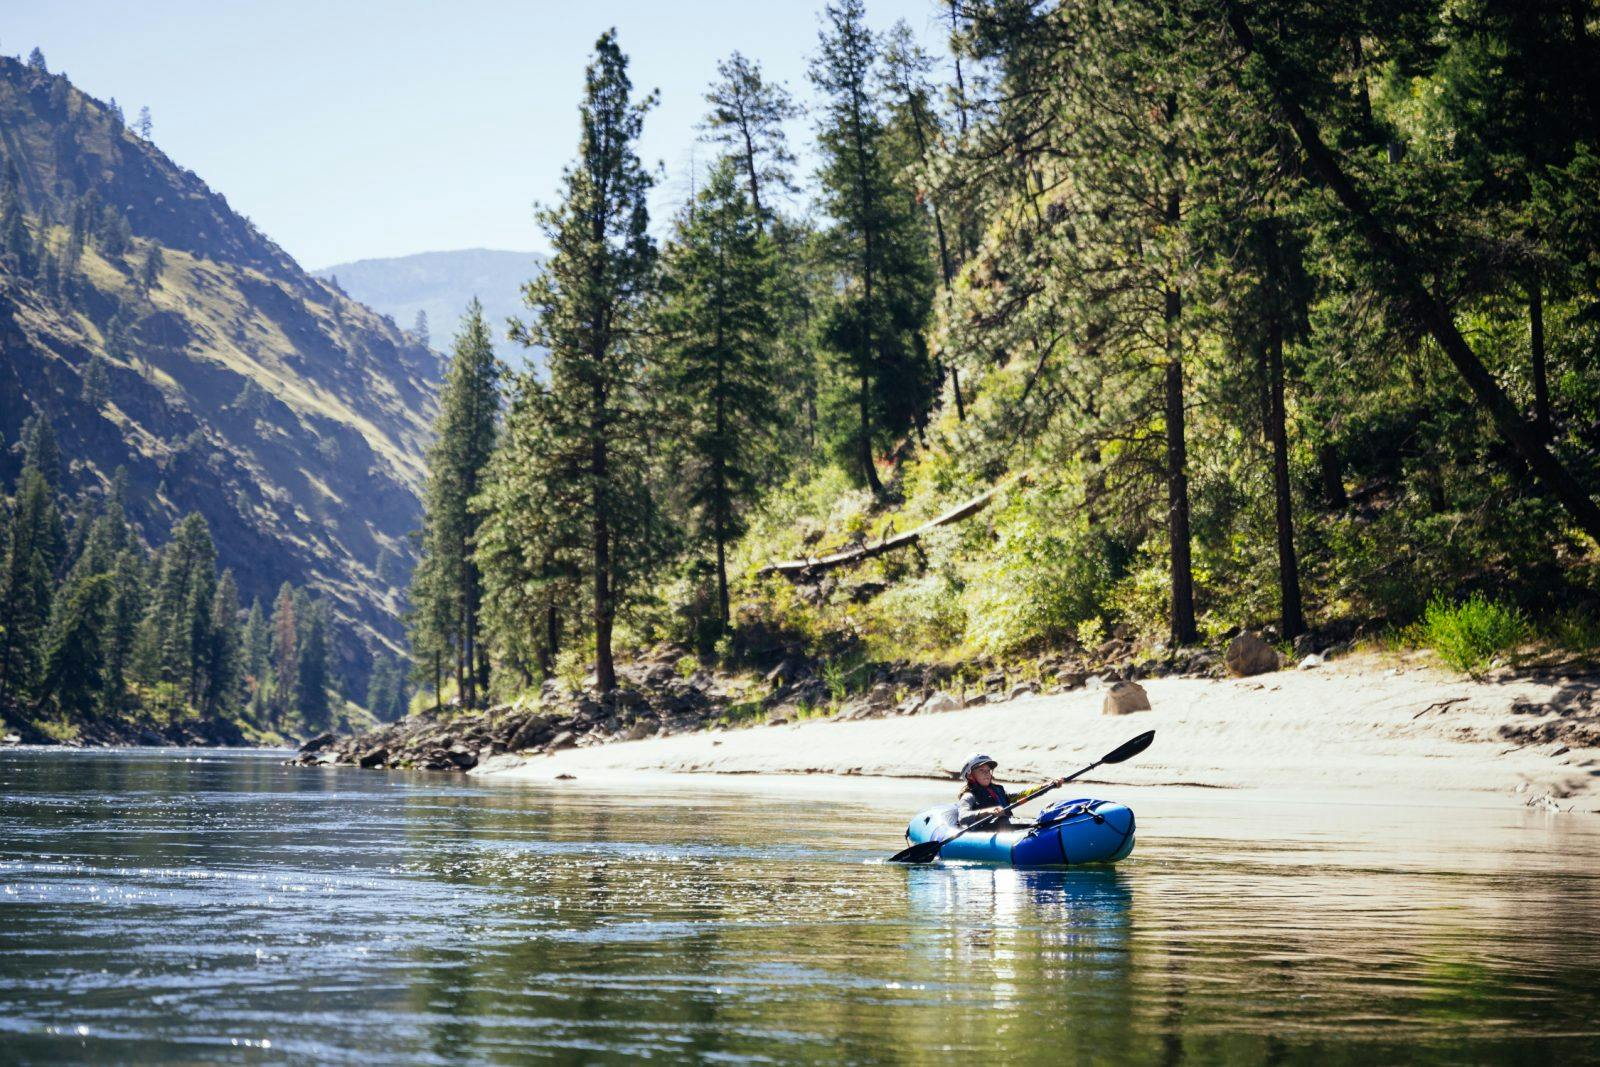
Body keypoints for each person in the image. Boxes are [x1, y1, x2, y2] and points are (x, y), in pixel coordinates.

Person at [956, 753, 1065, 830]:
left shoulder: (999, 791)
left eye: (988, 770)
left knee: (1040, 820)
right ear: (970, 775)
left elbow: (1023, 794)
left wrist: (1047, 786)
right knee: (1003, 821)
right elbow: (963, 817)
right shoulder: (969, 795)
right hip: (986, 831)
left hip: (1006, 826)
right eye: (981, 770)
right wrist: (988, 812)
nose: (987, 773)